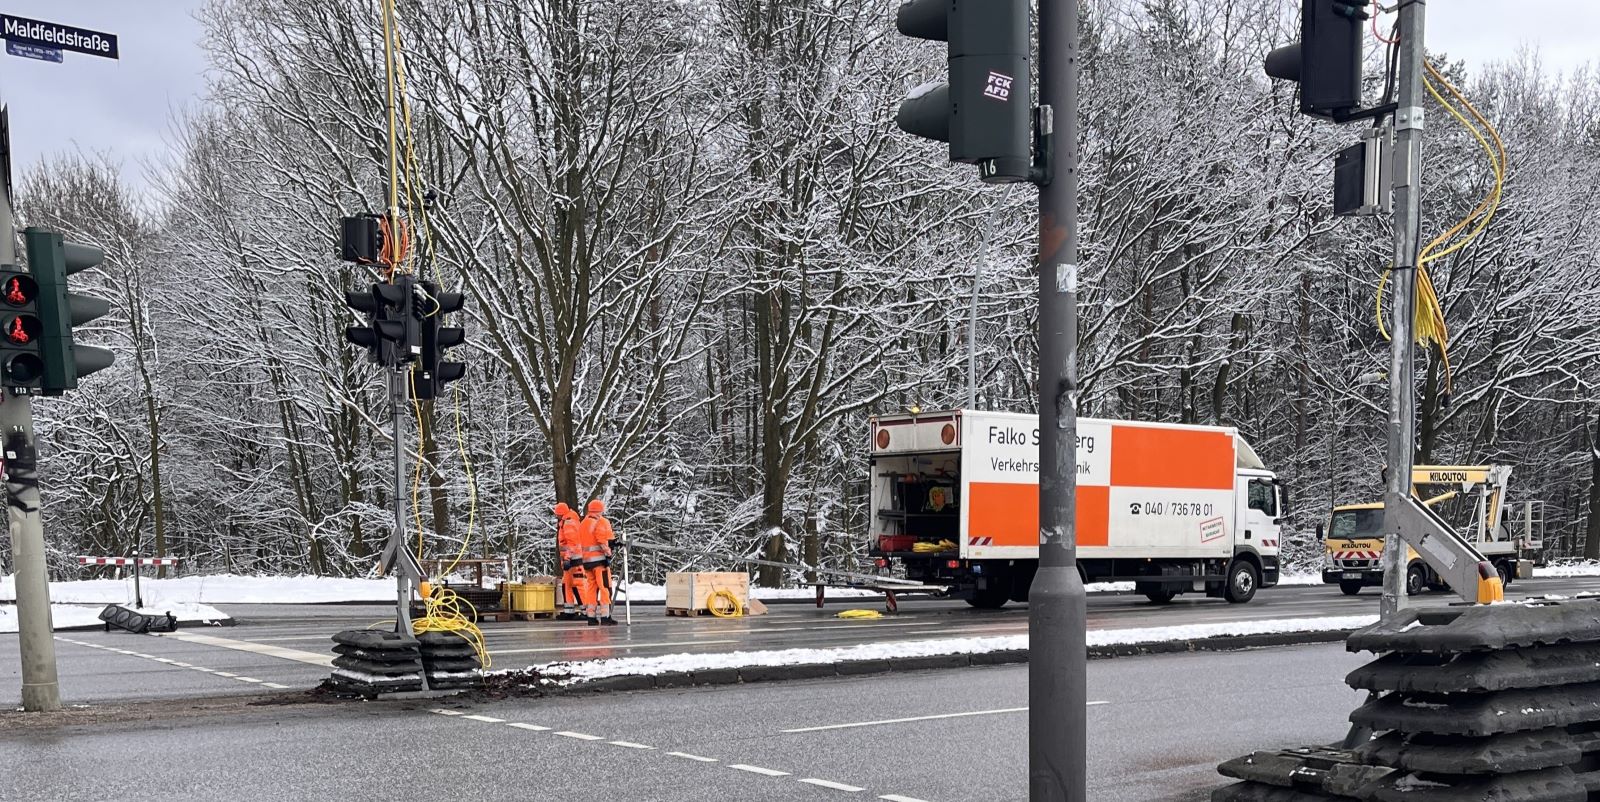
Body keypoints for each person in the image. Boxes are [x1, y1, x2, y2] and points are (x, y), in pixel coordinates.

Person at [580, 499, 617, 626]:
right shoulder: (600, 521)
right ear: (600, 510)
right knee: (605, 587)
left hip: (587, 562)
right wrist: (608, 552)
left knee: (591, 589)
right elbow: (601, 539)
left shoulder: (584, 522)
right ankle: (605, 616)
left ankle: (591, 616)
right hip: (599, 562)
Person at [554, 503, 586, 621]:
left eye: (557, 514)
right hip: (570, 559)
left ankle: (586, 611)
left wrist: (567, 558)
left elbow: (572, 543)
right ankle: (569, 611)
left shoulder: (569, 522)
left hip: (575, 559)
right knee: (566, 584)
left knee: (577, 585)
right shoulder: (566, 521)